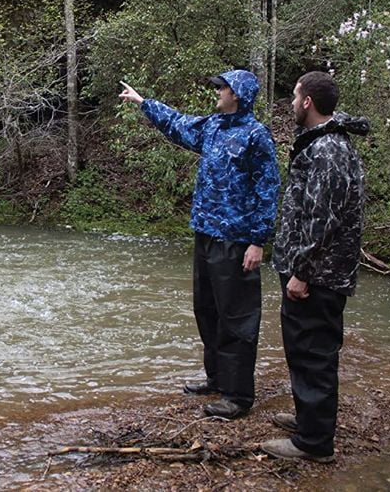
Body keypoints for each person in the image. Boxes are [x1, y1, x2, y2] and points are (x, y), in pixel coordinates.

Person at [119, 70, 280, 419]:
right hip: (205, 233)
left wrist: (258, 241)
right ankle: (217, 379)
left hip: (237, 240)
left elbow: (268, 190)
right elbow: (178, 124)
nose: (217, 92)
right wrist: (144, 103)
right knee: (207, 310)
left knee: (237, 317)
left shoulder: (256, 135)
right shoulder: (212, 126)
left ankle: (238, 396)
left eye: (222, 88)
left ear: (237, 94)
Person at [261, 71, 369, 461]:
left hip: (317, 275)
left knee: (313, 354)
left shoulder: (328, 151)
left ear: (307, 102)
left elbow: (322, 219)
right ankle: (310, 421)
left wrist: (301, 272)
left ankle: (314, 443)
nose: (290, 103)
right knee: (304, 350)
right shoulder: (325, 145)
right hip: (314, 271)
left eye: (294, 96)